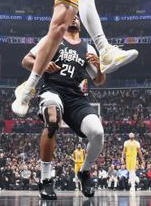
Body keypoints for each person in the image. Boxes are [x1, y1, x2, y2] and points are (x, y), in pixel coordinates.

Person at [20, 15, 106, 199]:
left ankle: (84, 172)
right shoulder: (52, 38)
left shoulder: (88, 47)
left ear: (81, 24)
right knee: (52, 121)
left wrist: (99, 67)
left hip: (75, 96)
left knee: (97, 133)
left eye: (77, 17)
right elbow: (26, 60)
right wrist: (41, 65)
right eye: (71, 17)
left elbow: (98, 81)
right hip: (52, 89)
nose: (74, 19)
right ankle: (46, 180)